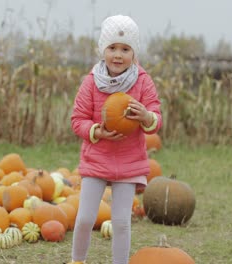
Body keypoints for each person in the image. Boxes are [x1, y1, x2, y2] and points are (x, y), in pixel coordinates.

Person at [68, 15, 162, 264]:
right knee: (86, 218)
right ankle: (78, 260)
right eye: (112, 48)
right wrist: (96, 131)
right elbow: (77, 119)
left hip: (129, 161)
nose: (118, 55)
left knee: (121, 222)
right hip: (97, 158)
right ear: (103, 50)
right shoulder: (91, 82)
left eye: (125, 49)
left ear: (134, 53)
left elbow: (156, 119)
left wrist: (146, 115)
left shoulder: (143, 82)